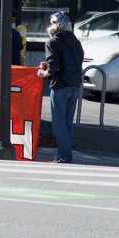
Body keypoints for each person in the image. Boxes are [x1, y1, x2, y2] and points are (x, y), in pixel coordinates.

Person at [38, 10, 84, 164]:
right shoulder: (76, 42)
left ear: (54, 26)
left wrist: (43, 73)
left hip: (60, 86)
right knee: (67, 124)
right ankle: (62, 155)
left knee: (58, 125)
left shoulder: (52, 42)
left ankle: (64, 157)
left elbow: (52, 68)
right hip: (75, 86)